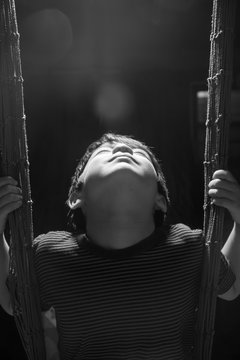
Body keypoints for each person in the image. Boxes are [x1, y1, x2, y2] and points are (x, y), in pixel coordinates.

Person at [0, 132, 240, 360]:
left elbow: (231, 287)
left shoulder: (190, 246)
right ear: (76, 197)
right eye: (104, 151)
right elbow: (12, 300)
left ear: (160, 201)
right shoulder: (49, 254)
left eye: (141, 154)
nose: (124, 148)